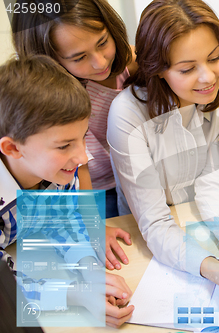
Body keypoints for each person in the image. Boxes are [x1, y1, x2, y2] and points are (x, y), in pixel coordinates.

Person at [107, 0, 219, 307]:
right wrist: (215, 270)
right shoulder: (127, 115)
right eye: (188, 68)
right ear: (158, 69)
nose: (208, 78)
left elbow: (212, 187)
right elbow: (154, 223)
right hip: (154, 242)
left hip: (206, 222)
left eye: (214, 58)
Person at [0, 55, 134, 328]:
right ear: (13, 148)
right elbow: (4, 286)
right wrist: (75, 294)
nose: (82, 157)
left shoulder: (59, 173)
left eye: (82, 137)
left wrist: (90, 271)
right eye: (64, 146)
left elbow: (64, 219)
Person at [12, 0, 137, 270]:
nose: (100, 61)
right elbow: (80, 167)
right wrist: (92, 226)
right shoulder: (57, 101)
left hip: (128, 180)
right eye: (79, 57)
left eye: (103, 42)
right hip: (88, 192)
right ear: (50, 59)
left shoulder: (130, 62)